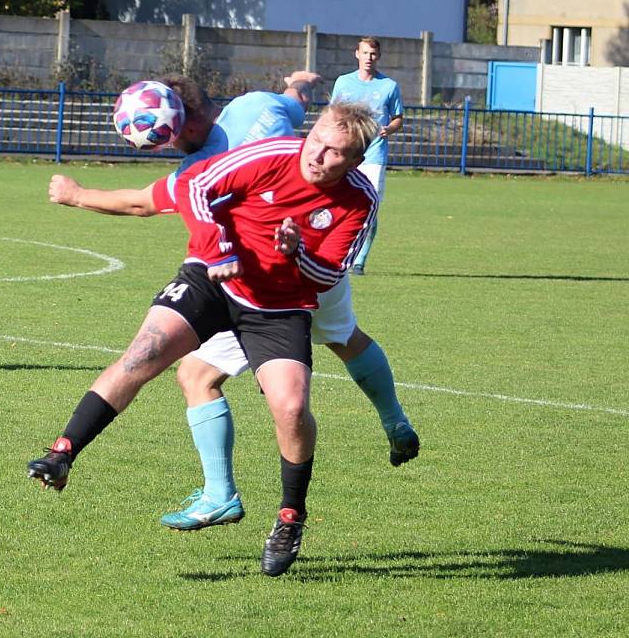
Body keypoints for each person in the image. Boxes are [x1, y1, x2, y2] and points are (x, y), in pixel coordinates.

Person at [47, 74, 420, 533]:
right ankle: (395, 422)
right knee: (345, 340)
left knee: (208, 376)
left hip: (300, 279)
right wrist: (299, 84)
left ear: (172, 129)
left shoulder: (202, 164)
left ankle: (222, 492)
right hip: (263, 277)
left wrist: (76, 195)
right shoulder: (254, 105)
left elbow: (143, 203)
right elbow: (292, 102)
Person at [331, 36, 403, 275]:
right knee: (338, 203)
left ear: (378, 57)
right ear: (357, 54)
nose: (369, 58)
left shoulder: (389, 86)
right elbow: (333, 114)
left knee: (369, 207)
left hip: (374, 156)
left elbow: (398, 118)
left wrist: (389, 128)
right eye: (365, 53)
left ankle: (360, 260)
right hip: (346, 154)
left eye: (373, 54)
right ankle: (336, 252)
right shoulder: (343, 82)